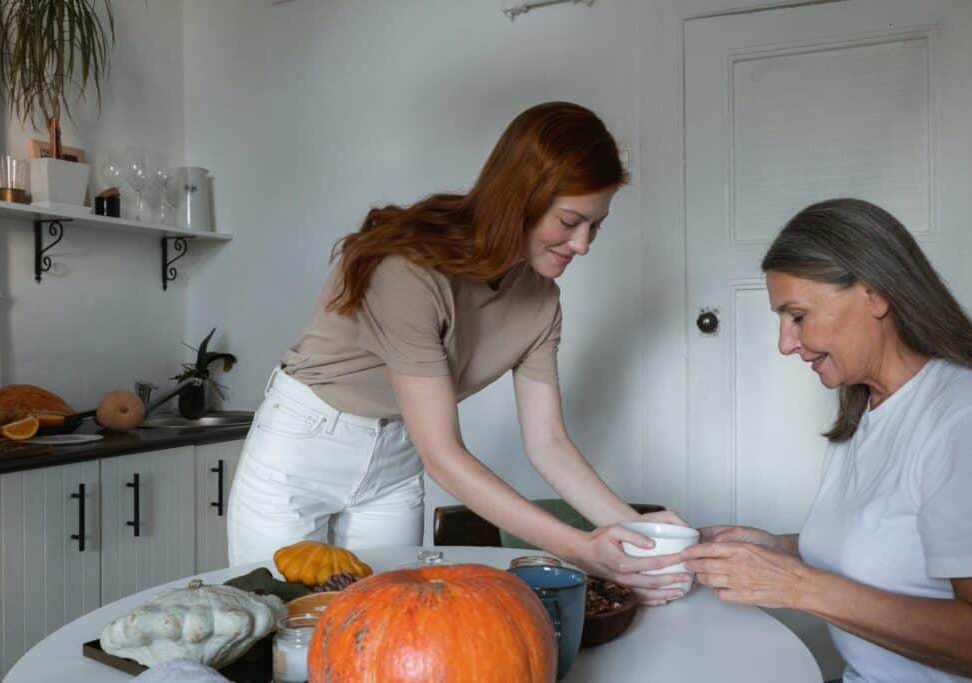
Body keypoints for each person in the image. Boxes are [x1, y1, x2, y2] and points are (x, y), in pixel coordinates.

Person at [227, 101, 689, 604]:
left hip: (395, 456)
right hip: (305, 443)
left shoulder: (541, 301)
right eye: (570, 221)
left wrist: (638, 531)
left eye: (594, 226)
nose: (582, 245)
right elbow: (443, 455)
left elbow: (549, 443)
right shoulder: (408, 270)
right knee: (280, 624)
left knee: (386, 621)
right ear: (520, 197)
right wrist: (580, 548)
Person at [680, 198, 972, 681]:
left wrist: (795, 585)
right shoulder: (867, 408)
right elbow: (904, 546)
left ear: (875, 294)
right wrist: (778, 548)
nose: (784, 343)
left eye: (797, 315)